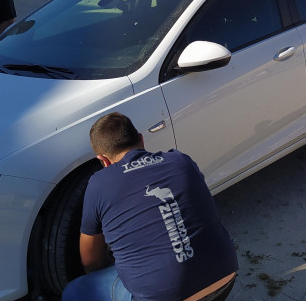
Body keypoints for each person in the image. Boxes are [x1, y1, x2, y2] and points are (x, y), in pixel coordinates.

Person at [63, 112, 238, 301]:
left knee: (74, 292)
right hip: (224, 277)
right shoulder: (181, 160)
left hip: (164, 297)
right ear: (141, 140)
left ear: (103, 160)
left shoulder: (98, 184)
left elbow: (91, 260)